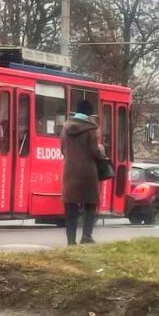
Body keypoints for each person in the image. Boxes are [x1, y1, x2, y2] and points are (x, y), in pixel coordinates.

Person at [61, 99, 106, 245]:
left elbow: (62, 149)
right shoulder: (91, 129)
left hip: (70, 171)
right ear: (89, 113)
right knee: (91, 203)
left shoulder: (65, 128)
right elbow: (94, 151)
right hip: (88, 172)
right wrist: (101, 152)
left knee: (70, 205)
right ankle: (86, 236)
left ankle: (71, 240)